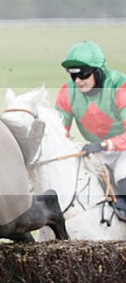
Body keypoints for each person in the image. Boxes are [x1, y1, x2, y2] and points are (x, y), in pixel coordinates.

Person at [55, 40, 126, 214]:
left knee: (122, 175)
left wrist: (104, 145)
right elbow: (59, 132)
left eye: (84, 75)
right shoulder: (67, 92)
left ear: (98, 71)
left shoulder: (120, 87)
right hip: (97, 150)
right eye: (74, 76)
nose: (78, 81)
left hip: (122, 149)